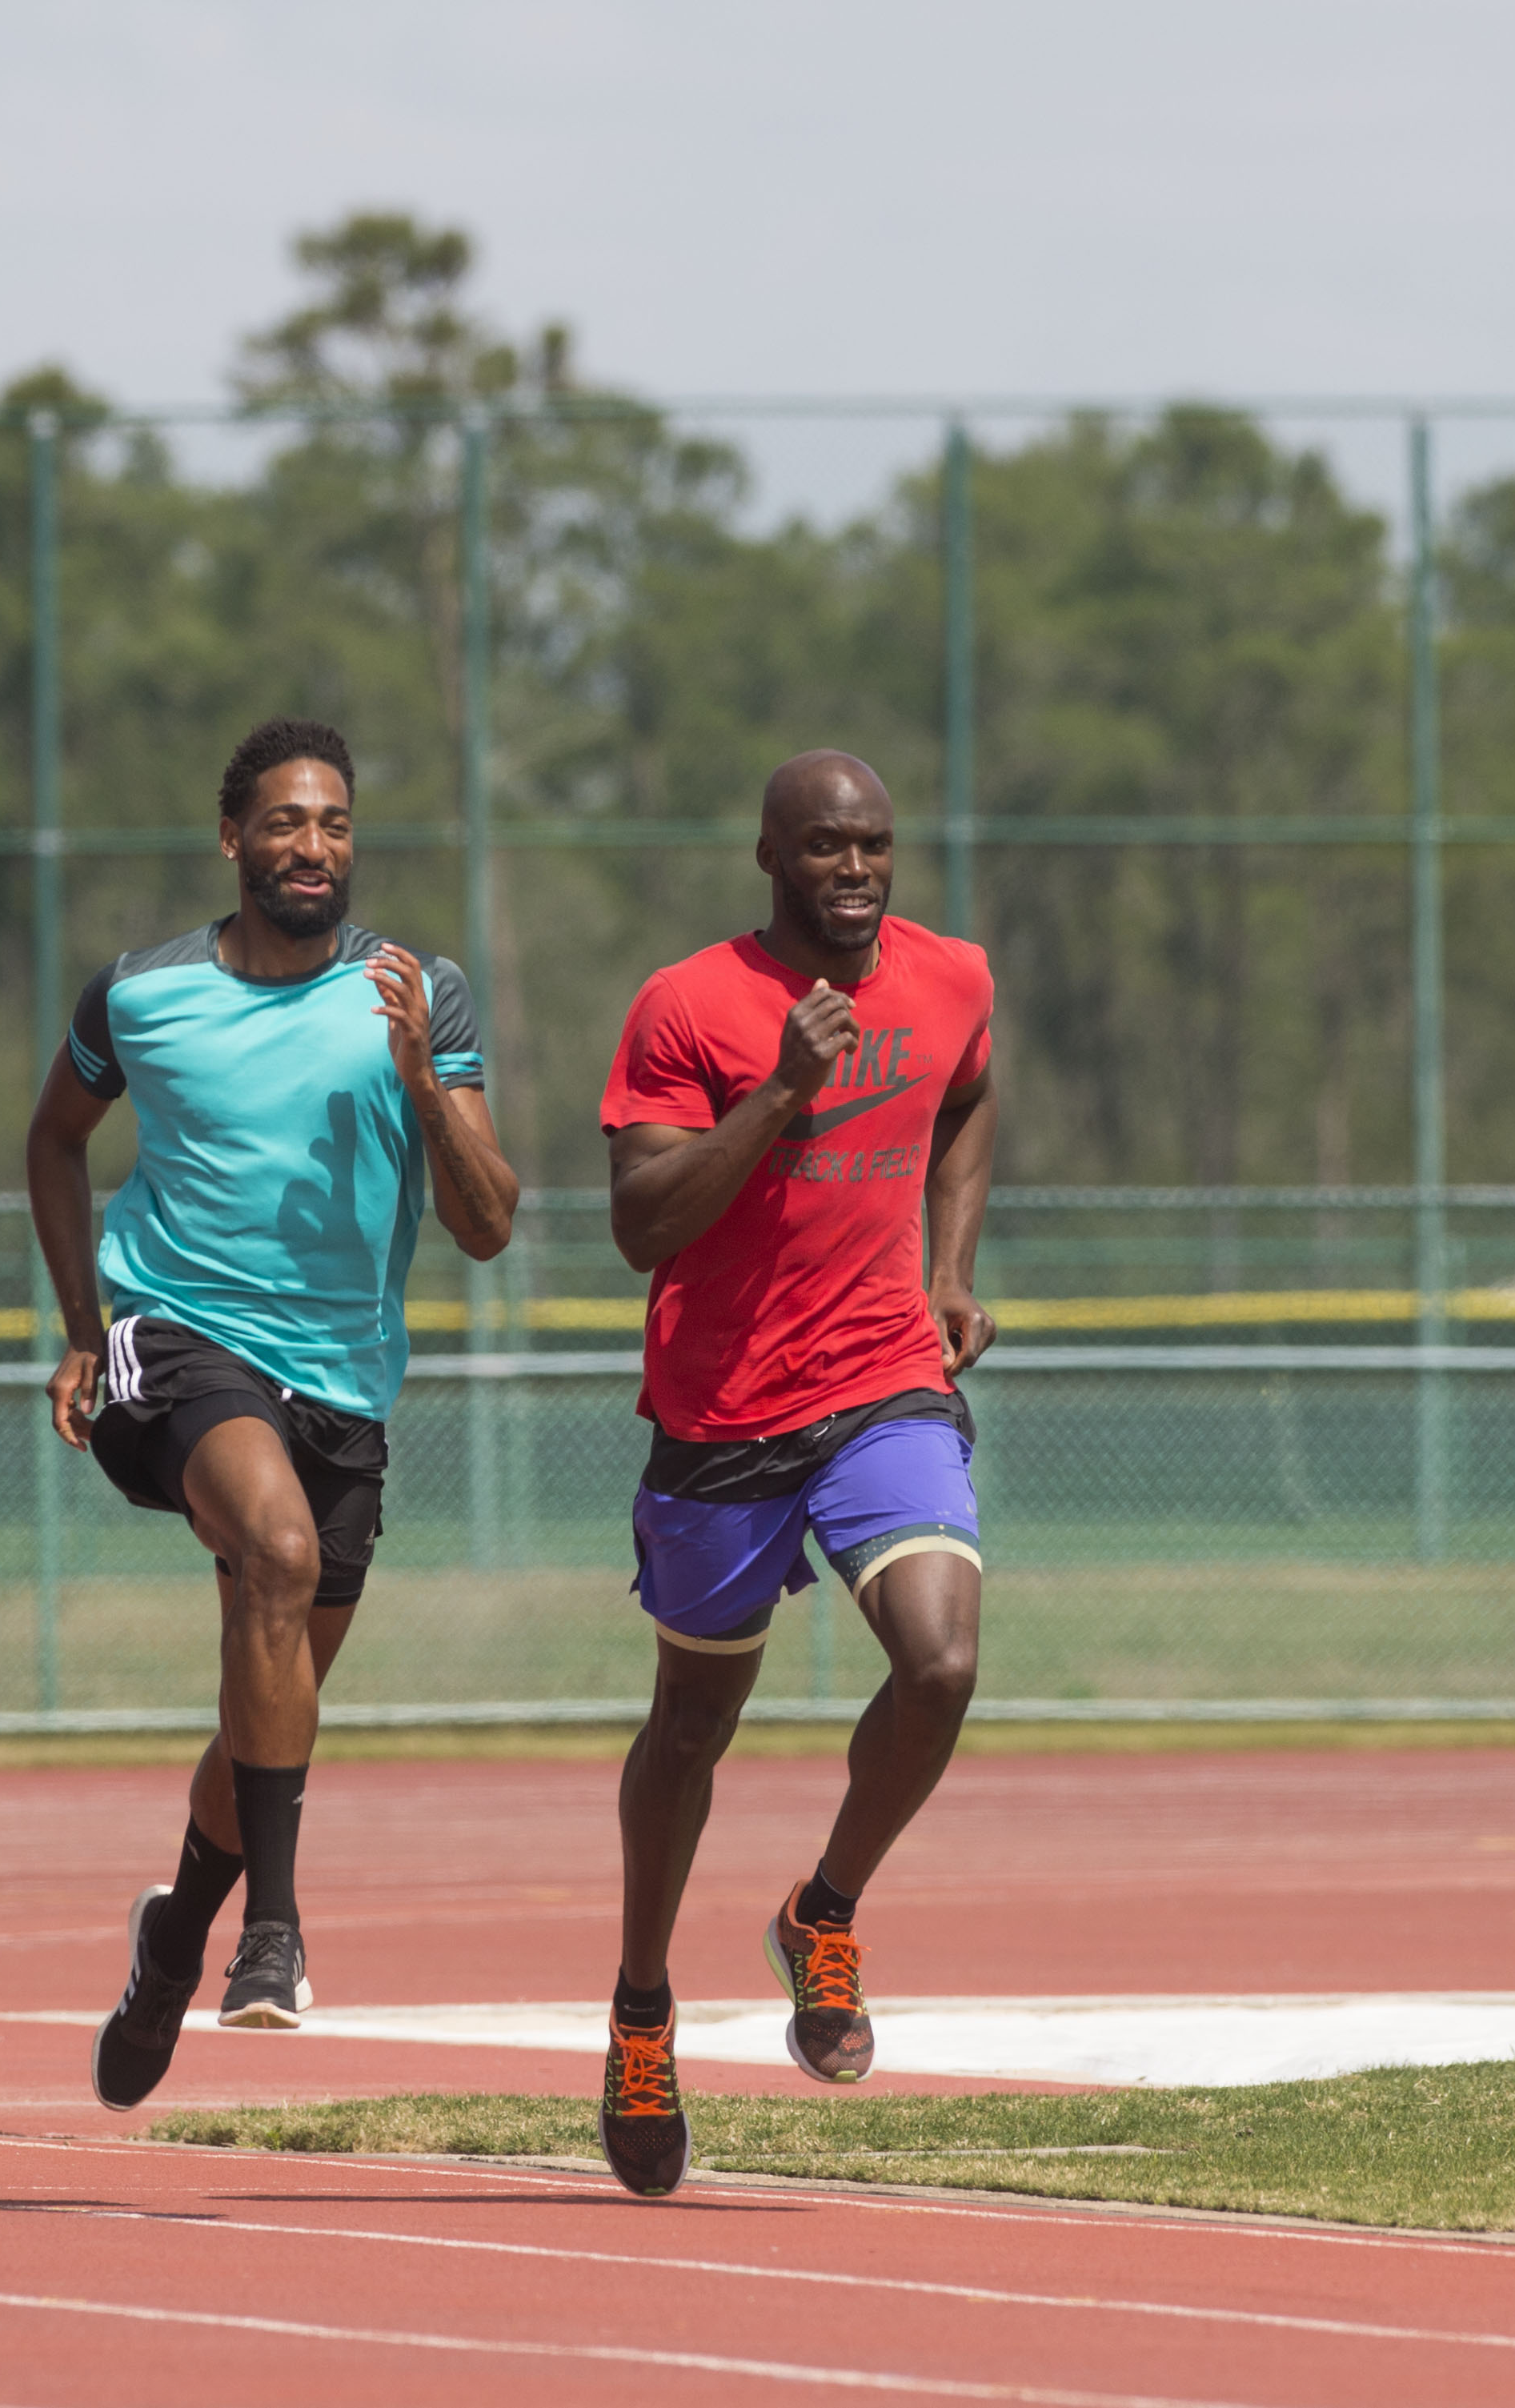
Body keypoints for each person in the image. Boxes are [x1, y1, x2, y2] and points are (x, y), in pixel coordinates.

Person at [30, 716, 520, 2110]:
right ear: (233, 838)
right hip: (173, 1342)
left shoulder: (419, 992)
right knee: (280, 1556)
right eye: (287, 822)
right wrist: (81, 1329)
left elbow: (488, 1226)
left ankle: (174, 1930)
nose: (315, 847)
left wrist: (426, 1084)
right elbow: (54, 1138)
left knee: (275, 1690)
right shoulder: (138, 995)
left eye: (337, 824)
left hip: (344, 1382)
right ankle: (275, 1936)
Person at [588, 748, 998, 2198]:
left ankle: (822, 1913)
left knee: (939, 1662)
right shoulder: (688, 1005)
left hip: (883, 1382)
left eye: (875, 845)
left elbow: (963, 1097)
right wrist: (778, 1094)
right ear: (768, 854)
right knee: (690, 1727)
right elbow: (642, 1222)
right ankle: (643, 2005)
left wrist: (947, 1271)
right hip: (720, 1417)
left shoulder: (951, 977)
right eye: (825, 846)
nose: (856, 869)